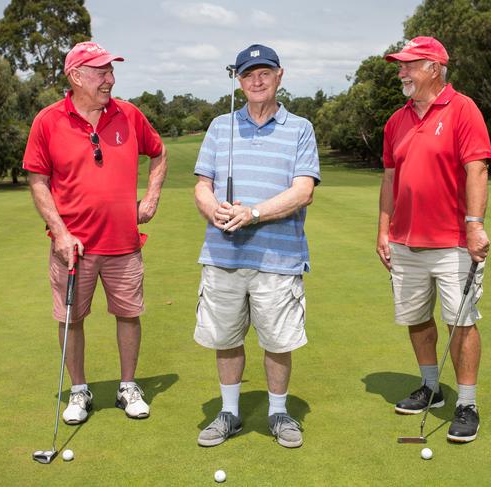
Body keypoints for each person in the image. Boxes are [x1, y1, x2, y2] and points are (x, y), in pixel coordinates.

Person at [23, 41, 167, 424]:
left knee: (129, 314)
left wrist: (151, 198)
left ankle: (128, 386)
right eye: (101, 72)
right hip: (74, 247)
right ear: (76, 76)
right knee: (71, 318)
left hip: (124, 243)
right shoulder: (48, 121)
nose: (110, 79)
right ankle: (79, 391)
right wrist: (60, 232)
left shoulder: (130, 115)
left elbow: (159, 152)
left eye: (111, 71)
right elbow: (38, 180)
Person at [193, 44, 320, 448]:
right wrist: (214, 210)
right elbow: (202, 185)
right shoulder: (219, 126)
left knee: (278, 341)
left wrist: (254, 213)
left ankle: (278, 413)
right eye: (248, 74)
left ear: (279, 75)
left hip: (279, 258)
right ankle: (229, 412)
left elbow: (303, 191)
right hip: (223, 254)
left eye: (264, 72)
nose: (257, 80)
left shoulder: (300, 128)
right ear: (239, 81)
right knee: (226, 338)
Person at [377, 36, 491, 442]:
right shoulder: (396, 120)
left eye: (409, 65)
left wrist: (475, 224)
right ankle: (431, 387)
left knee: (460, 322)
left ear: (434, 68)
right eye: (401, 65)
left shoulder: (463, 109)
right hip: (406, 243)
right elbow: (390, 177)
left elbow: (476, 168)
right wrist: (383, 230)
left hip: (453, 242)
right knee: (416, 318)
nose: (401, 72)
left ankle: (466, 402)